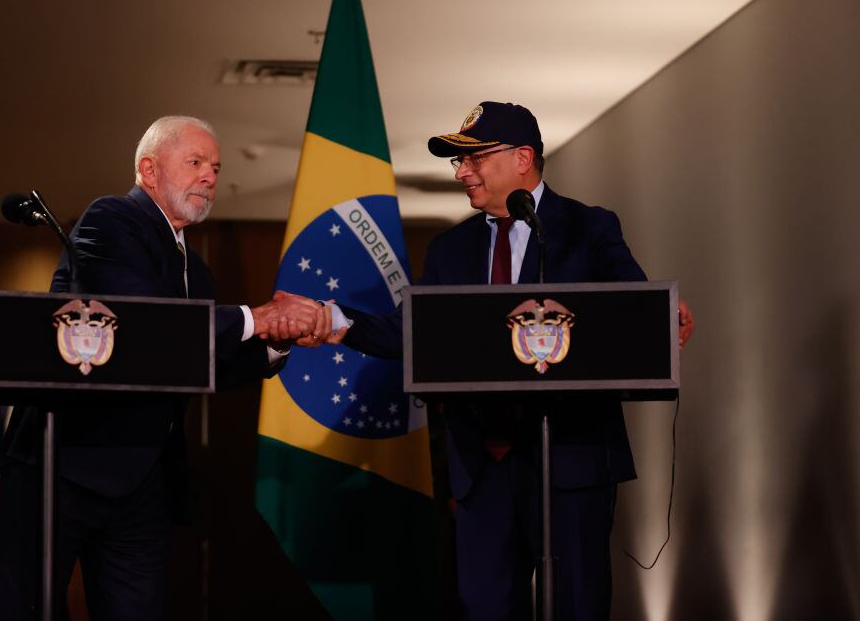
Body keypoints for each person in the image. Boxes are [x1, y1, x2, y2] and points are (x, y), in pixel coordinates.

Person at [287, 101, 694, 621]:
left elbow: (629, 304)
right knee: (484, 608)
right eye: (458, 161)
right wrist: (334, 321)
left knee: (577, 604)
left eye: (474, 158)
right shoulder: (451, 248)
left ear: (523, 158)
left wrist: (659, 317)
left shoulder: (587, 228)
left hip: (570, 458)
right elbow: (410, 330)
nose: (461, 172)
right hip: (484, 468)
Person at [0, 115, 325, 620]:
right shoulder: (110, 220)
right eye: (195, 162)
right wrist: (257, 318)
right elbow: (143, 325)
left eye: (215, 166)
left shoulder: (199, 267)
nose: (210, 176)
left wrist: (279, 340)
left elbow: (201, 358)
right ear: (149, 169)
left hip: (143, 479)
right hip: (62, 466)